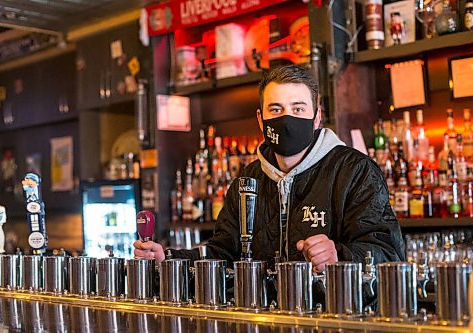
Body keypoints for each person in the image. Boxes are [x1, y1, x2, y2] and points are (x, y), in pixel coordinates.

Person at [134, 65, 404, 304]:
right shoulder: (247, 181)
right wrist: (168, 260)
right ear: (261, 120)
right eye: (276, 109)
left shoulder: (354, 171)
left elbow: (389, 254)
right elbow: (223, 253)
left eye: (298, 109)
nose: (287, 119)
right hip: (264, 319)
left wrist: (340, 257)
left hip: (334, 318)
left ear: (317, 117)